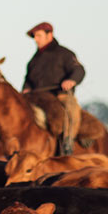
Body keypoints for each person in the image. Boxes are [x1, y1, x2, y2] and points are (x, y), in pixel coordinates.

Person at [21, 22, 86, 155]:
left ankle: (67, 142)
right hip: (36, 98)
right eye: (34, 36)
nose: (35, 39)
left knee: (71, 108)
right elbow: (28, 79)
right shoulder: (33, 60)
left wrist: (71, 80)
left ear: (49, 35)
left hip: (59, 95)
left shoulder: (65, 54)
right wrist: (26, 89)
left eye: (38, 36)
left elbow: (79, 70)